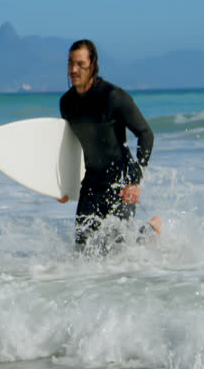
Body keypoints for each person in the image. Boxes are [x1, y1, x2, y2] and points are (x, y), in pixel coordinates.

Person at [58, 39, 158, 250]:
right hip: (91, 185)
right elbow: (71, 146)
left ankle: (151, 229)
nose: (73, 70)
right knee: (84, 251)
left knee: (119, 250)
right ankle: (147, 231)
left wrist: (135, 181)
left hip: (120, 183)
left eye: (80, 64)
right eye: (70, 63)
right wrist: (64, 185)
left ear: (92, 66)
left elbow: (146, 134)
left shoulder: (113, 97)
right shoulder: (67, 103)